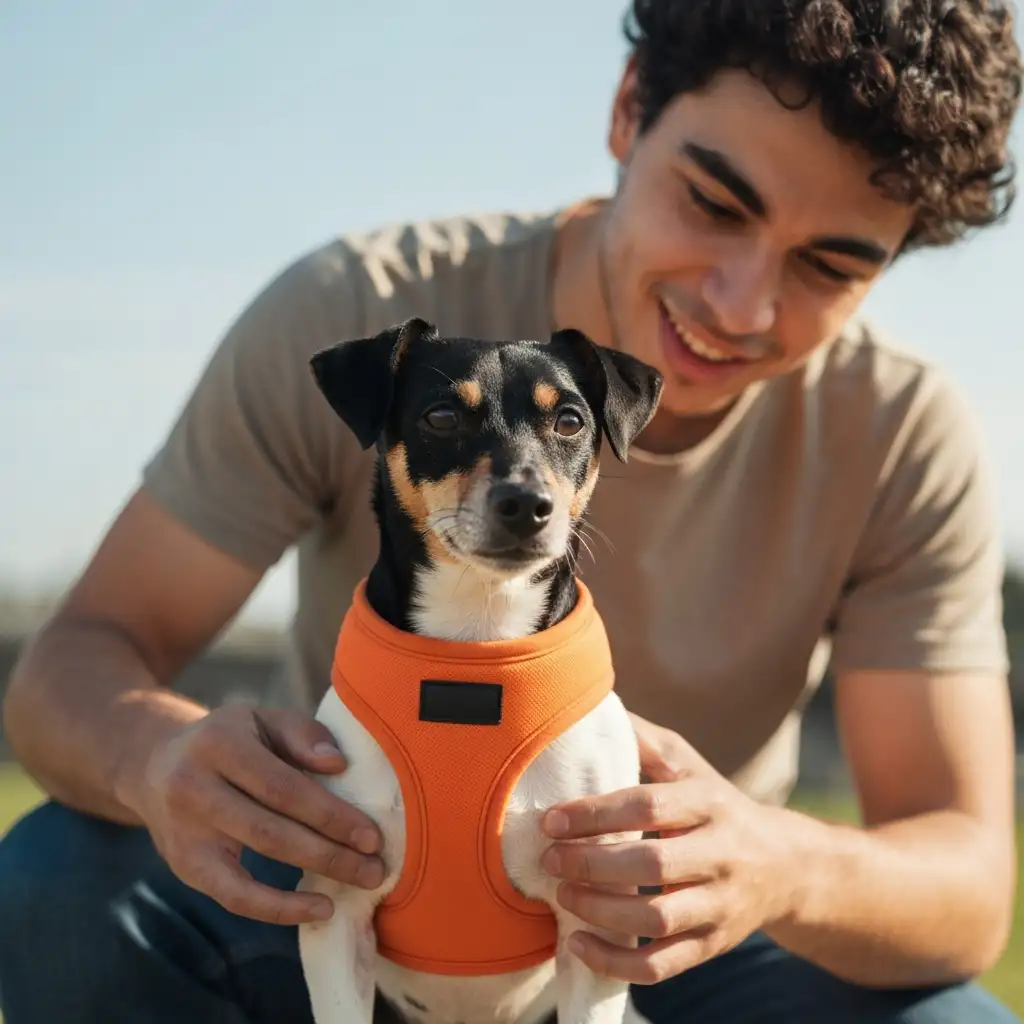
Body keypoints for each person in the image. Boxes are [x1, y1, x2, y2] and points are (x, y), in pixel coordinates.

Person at [2, 1, 1022, 1021]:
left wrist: (777, 862)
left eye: (829, 265)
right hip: (347, 896)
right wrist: (158, 759)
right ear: (628, 111)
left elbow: (968, 886)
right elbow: (73, 661)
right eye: (713, 202)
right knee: (56, 885)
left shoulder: (902, 433)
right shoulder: (357, 308)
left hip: (672, 940)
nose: (740, 303)